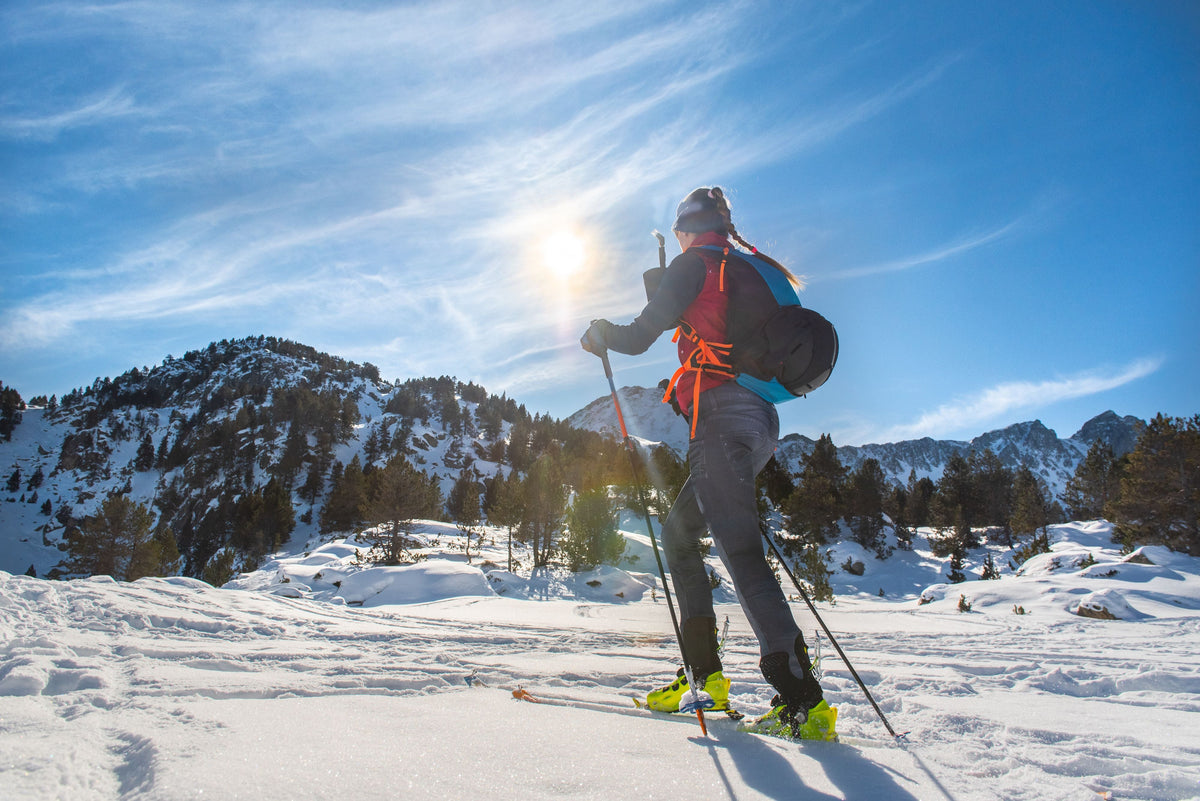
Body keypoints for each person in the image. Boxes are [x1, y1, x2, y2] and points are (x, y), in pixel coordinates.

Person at [580, 187, 837, 740]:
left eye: (678, 231)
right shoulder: (756, 271)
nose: (677, 240)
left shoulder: (694, 264)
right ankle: (705, 678)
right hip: (761, 419)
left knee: (740, 553)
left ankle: (802, 701)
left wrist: (599, 333)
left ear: (688, 229)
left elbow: (637, 336)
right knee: (679, 536)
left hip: (721, 420)